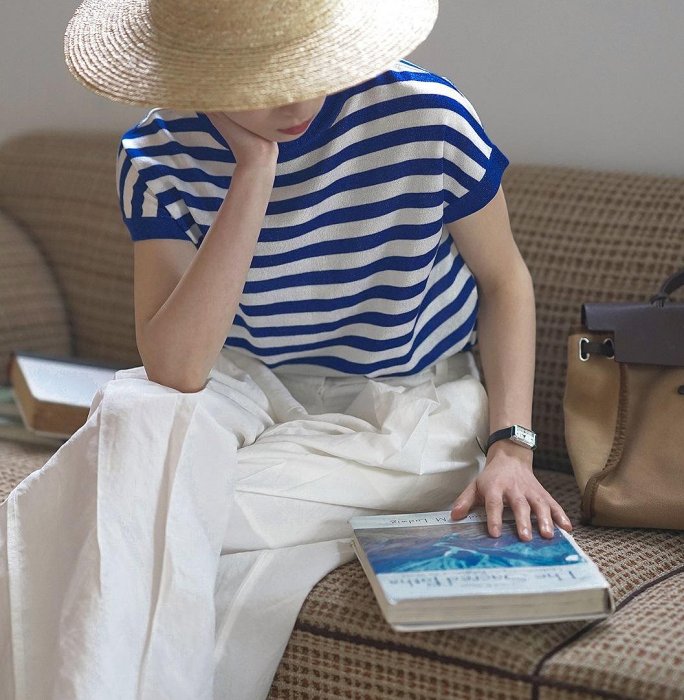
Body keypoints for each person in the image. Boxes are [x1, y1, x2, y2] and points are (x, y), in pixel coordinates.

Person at [0, 0, 572, 698]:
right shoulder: (156, 156)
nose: (296, 99)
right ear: (197, 71)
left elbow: (505, 281)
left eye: (306, 63)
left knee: (129, 508)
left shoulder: (427, 118)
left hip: (410, 403)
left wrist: (511, 448)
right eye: (258, 78)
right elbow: (177, 370)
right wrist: (253, 174)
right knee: (132, 415)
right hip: (248, 385)